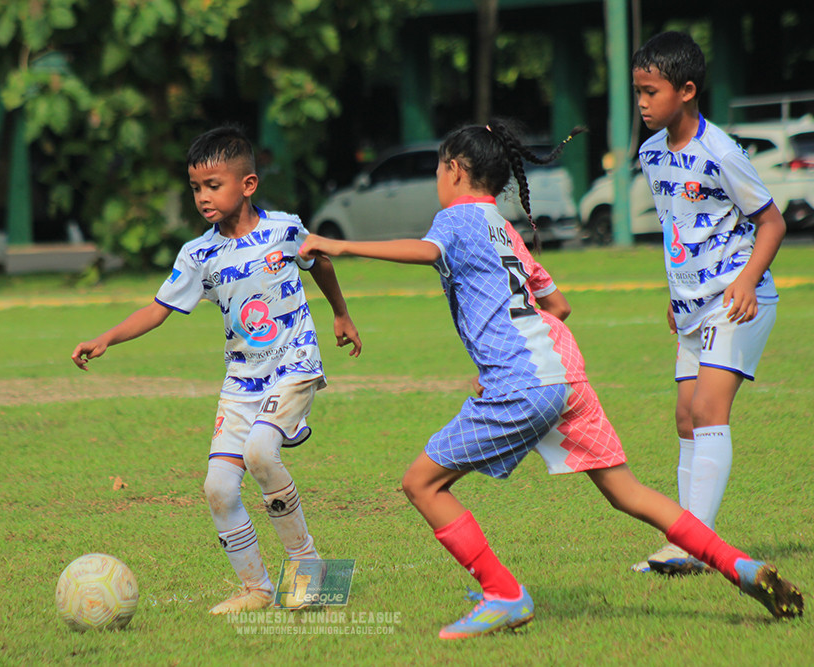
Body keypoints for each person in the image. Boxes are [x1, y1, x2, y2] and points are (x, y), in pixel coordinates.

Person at [298, 120, 804, 638]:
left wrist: (338, 246)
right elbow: (556, 306)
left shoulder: (454, 219)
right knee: (627, 492)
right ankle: (739, 567)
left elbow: (427, 251)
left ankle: (504, 595)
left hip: (523, 385)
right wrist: (512, 352)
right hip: (562, 374)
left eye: (437, 168)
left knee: (421, 483)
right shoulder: (503, 227)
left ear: (453, 169)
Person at [71, 125, 362, 615]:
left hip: (294, 364)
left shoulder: (284, 229)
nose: (203, 197)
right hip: (241, 379)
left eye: (213, 185)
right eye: (195, 188)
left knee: (261, 455)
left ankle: (311, 573)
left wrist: (340, 313)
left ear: (247, 185)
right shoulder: (198, 253)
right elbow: (158, 308)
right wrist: (106, 338)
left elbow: (321, 262)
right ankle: (257, 588)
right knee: (218, 487)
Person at [629, 31, 787, 574]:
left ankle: (692, 544)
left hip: (738, 300)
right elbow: (679, 229)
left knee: (706, 410)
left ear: (687, 90)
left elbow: (772, 221)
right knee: (684, 418)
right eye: (638, 93)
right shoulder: (651, 154)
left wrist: (745, 281)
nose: (643, 103)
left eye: (651, 92)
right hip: (692, 305)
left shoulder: (720, 151)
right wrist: (676, 297)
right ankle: (690, 542)